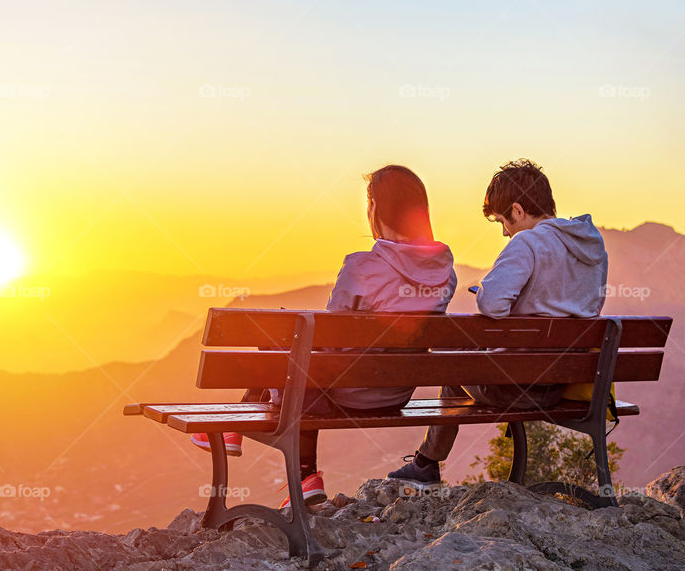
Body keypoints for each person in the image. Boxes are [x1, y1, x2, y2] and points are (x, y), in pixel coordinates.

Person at [191, 165, 458, 506]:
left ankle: (294, 467)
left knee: (292, 342)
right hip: (396, 394)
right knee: (300, 346)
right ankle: (284, 463)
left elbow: (329, 344)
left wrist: (291, 334)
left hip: (349, 393)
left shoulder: (362, 267)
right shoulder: (444, 272)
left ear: (375, 208)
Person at [387, 158, 609, 487]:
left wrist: (487, 292)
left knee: (452, 366)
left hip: (516, 385)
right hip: (562, 385)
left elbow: (492, 303)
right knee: (465, 361)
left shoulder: (529, 243)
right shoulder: (592, 247)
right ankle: (426, 463)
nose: (505, 231)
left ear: (518, 210)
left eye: (503, 221)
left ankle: (426, 464)